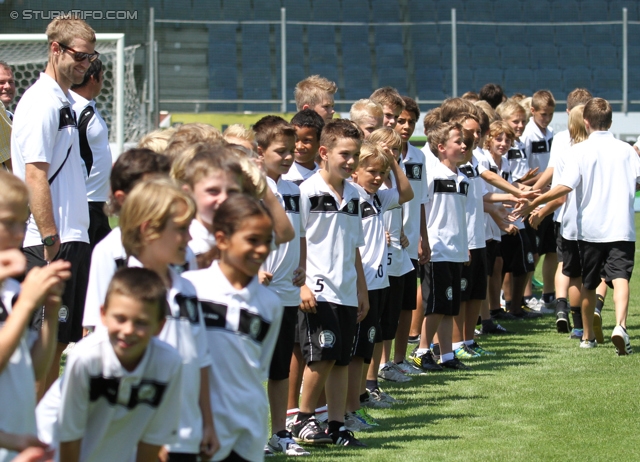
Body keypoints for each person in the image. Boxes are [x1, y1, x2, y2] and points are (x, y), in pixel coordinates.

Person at [92, 177, 218, 460]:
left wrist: (208, 423)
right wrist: (150, 435)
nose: (189, 239)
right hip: (141, 439)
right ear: (149, 230)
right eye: (181, 230)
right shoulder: (127, 292)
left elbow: (201, 359)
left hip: (187, 433)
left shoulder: (187, 288)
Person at [11, 17, 97, 393]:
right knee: (40, 344)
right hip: (48, 242)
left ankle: (43, 433)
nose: (85, 65)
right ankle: (21, 434)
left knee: (59, 342)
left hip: (70, 237)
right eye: (79, 56)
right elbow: (34, 175)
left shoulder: (65, 101)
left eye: (90, 58)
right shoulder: (40, 102)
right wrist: (49, 239)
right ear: (55, 50)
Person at [519, 98, 640, 354]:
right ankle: (620, 325)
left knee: (588, 281)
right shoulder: (627, 150)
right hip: (621, 226)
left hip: (590, 229)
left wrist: (535, 202)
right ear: (610, 121)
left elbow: (564, 186)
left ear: (586, 122)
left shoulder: (578, 151)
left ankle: (586, 336)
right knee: (619, 277)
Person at [36, 268, 183, 462]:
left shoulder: (169, 364)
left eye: (141, 322)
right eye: (120, 319)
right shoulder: (86, 358)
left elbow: (151, 442)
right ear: (103, 315)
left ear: (160, 326)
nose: (128, 330)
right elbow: (68, 437)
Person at [184, 195, 285, 461]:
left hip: (246, 428)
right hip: (190, 424)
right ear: (222, 239)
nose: (262, 250)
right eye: (252, 240)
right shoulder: (189, 288)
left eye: (267, 241)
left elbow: (258, 367)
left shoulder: (270, 304)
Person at [291, 119, 368, 447]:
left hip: (347, 290)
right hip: (317, 290)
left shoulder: (355, 194)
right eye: (345, 155)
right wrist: (302, 284)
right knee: (320, 356)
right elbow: (298, 240)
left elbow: (354, 246)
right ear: (324, 152)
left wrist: (362, 289)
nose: (351, 162)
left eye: (356, 156)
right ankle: (303, 419)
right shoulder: (307, 191)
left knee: (340, 360)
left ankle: (335, 424)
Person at [0, 172, 71, 462]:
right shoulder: (21, 295)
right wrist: (28, 304)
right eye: (8, 222)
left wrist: (50, 312)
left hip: (15, 439)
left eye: (24, 221)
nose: (19, 233)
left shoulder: (13, 288)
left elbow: (33, 369)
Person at [251, 116, 309, 456]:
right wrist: (255, 268)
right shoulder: (251, 188)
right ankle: (253, 433)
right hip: (257, 293)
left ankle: (280, 433)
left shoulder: (292, 189)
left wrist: (301, 265)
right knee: (251, 367)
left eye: (290, 151)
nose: (288, 157)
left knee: (279, 367)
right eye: (280, 151)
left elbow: (299, 233)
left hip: (286, 291)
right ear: (260, 152)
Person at [348, 139, 413, 426]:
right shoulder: (353, 196)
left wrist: (392, 163)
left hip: (378, 281)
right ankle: (349, 407)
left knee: (368, 345)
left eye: (381, 173)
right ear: (355, 172)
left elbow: (406, 193)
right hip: (359, 284)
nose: (377, 177)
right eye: (371, 171)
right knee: (355, 350)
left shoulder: (378, 197)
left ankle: (360, 397)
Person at [413, 122, 470, 370]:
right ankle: (422, 350)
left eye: (464, 141)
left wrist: (464, 245)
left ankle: (446, 355)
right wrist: (421, 240)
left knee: (449, 306)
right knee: (436, 305)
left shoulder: (463, 178)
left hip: (455, 250)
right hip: (436, 250)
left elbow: (461, 216)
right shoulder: (432, 175)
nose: (464, 145)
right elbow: (421, 209)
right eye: (457, 141)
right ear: (441, 147)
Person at [70, 58, 112, 249]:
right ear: (93, 78)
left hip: (98, 202)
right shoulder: (73, 108)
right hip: (84, 201)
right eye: (102, 77)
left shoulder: (88, 106)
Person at [521, 90, 557, 311]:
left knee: (552, 249)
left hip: (551, 199)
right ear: (533, 111)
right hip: (534, 198)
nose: (547, 118)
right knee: (532, 251)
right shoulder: (526, 135)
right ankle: (526, 296)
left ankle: (549, 294)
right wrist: (538, 183)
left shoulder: (551, 133)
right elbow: (522, 173)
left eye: (551, 114)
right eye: (543, 114)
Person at [282, 108, 324, 186]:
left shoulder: (324, 177)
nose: (299, 146)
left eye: (307, 140)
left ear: (319, 143)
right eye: (295, 139)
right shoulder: (283, 177)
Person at [0, 61, 15, 171]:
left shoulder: (14, 118)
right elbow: (11, 160)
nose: (7, 86)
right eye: (1, 82)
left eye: (11, 82)